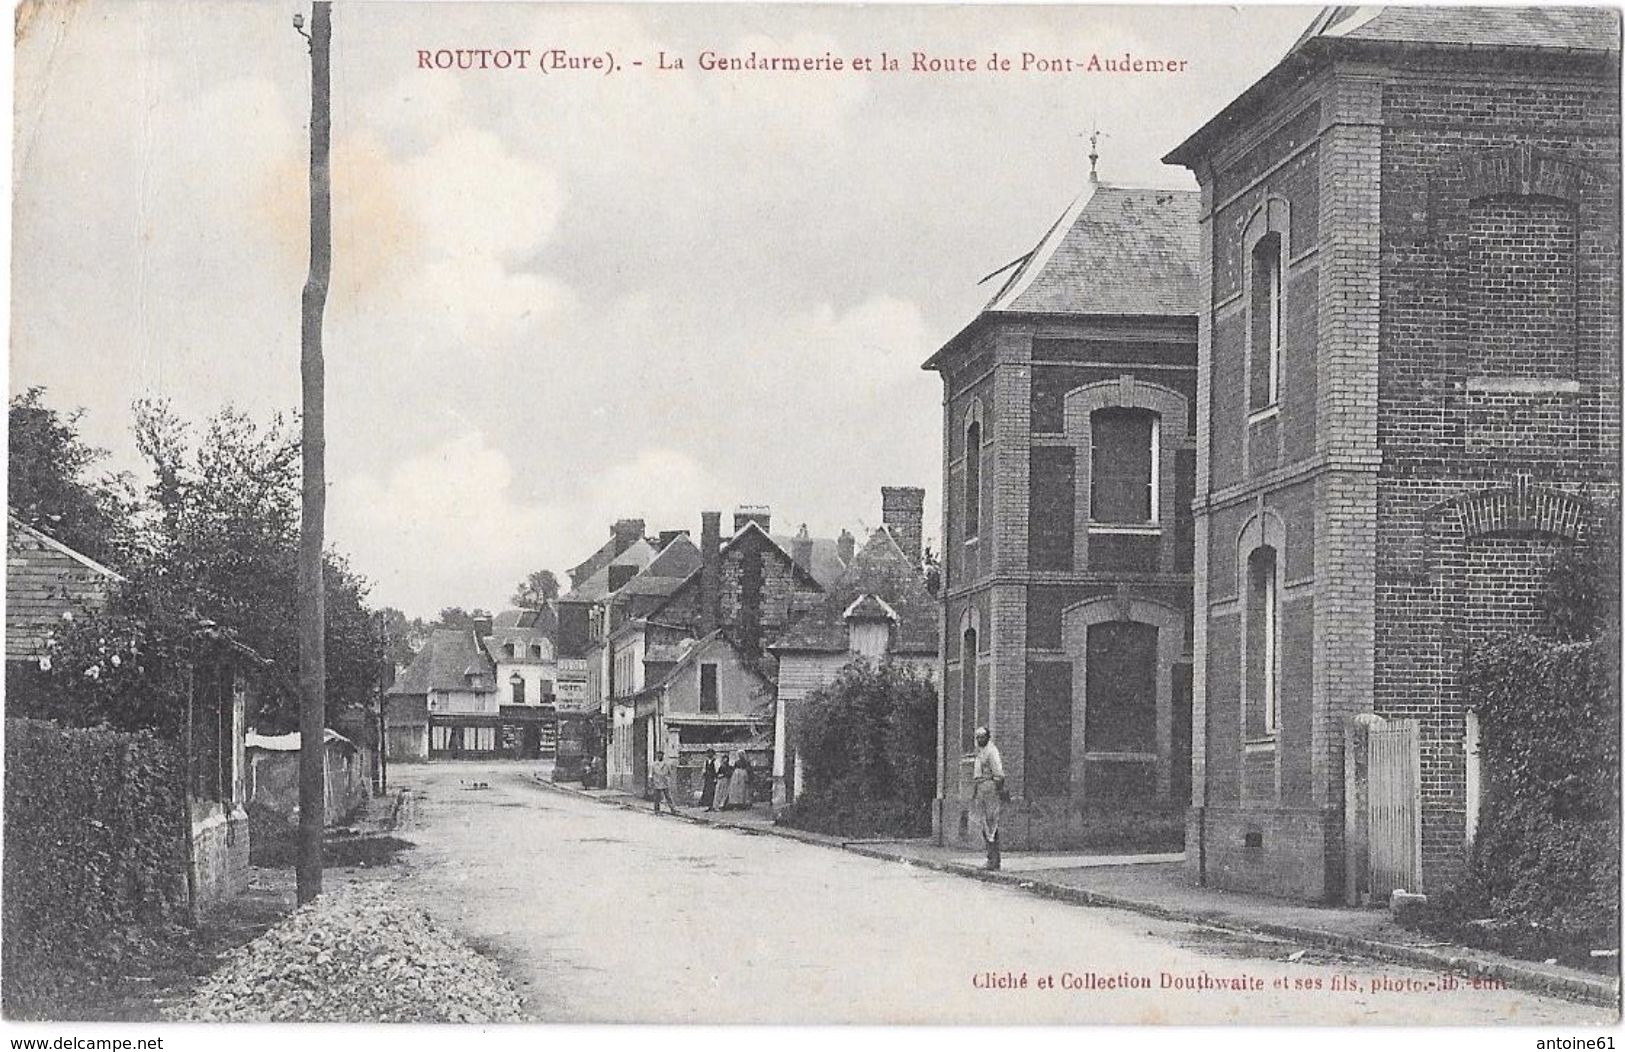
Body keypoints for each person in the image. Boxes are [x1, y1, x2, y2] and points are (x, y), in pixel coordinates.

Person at [971, 726, 1006, 871]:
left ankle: (994, 860)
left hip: (990, 790)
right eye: (977, 737)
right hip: (981, 790)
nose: (980, 739)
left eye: (982, 736)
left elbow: (999, 774)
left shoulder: (992, 752)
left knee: (992, 825)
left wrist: (996, 792)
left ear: (988, 737)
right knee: (984, 826)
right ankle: (990, 858)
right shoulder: (980, 752)